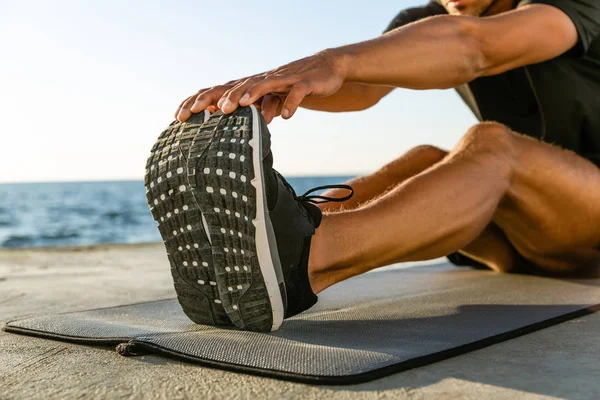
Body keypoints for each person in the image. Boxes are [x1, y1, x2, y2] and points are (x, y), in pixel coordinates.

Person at [145, 0, 600, 332]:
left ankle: (306, 262)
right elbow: (362, 86)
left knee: (492, 146)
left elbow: (475, 48)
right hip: (527, 237)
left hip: (589, 231)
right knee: (426, 159)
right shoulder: (430, 19)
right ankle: (261, 241)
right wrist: (271, 86)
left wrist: (333, 61)